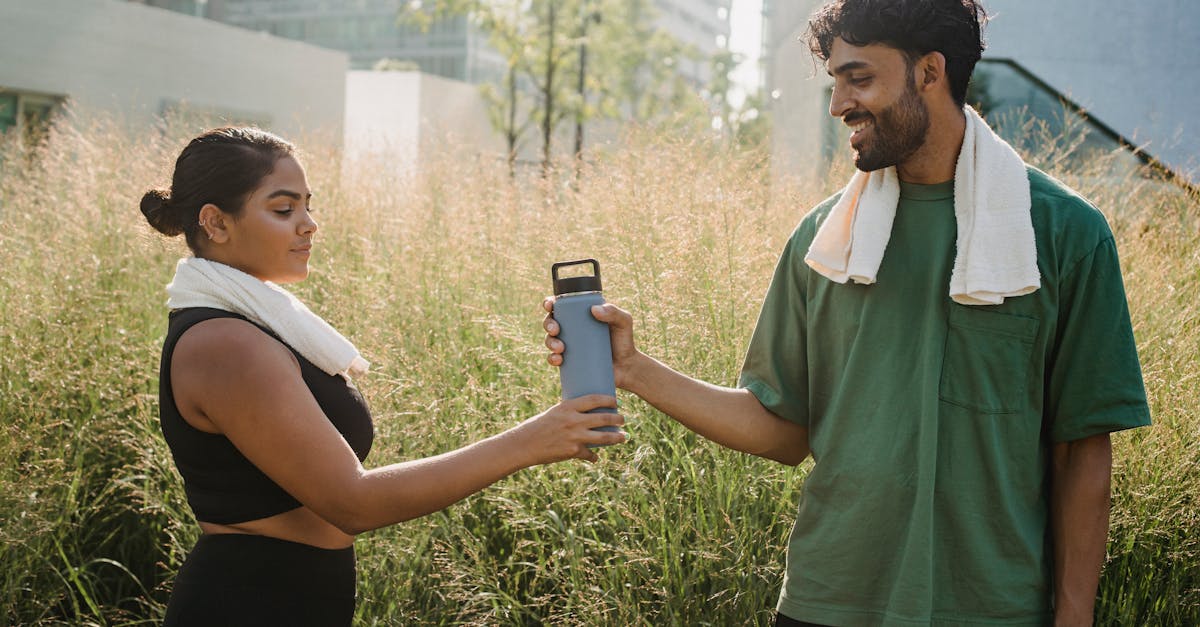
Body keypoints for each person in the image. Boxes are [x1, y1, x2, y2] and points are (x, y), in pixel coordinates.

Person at [543, 0, 1151, 624]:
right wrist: (635, 369)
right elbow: (781, 429)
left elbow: (1081, 454)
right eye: (835, 82)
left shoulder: (1064, 235)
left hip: (990, 610)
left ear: (930, 72)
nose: (838, 105)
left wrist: (1073, 618)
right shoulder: (824, 241)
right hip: (824, 604)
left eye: (858, 78)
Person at [140, 127, 626, 626]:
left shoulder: (256, 325)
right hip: (246, 603)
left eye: (308, 206)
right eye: (284, 209)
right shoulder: (226, 345)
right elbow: (354, 503)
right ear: (215, 223)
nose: (308, 225)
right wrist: (536, 438)